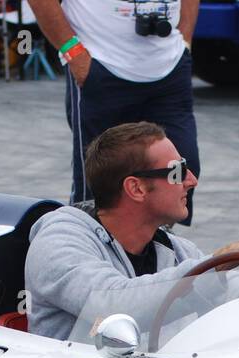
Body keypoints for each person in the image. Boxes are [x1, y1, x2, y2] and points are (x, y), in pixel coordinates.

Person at [25, 122, 239, 340]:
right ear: (136, 189)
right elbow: (111, 306)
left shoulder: (173, 249)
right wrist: (216, 265)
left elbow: (232, 288)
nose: (191, 180)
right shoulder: (59, 239)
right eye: (177, 171)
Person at [28, 0, 202, 225]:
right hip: (103, 66)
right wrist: (73, 52)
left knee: (179, 170)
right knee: (97, 188)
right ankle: (89, 249)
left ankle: (156, 243)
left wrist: (184, 41)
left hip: (169, 69)